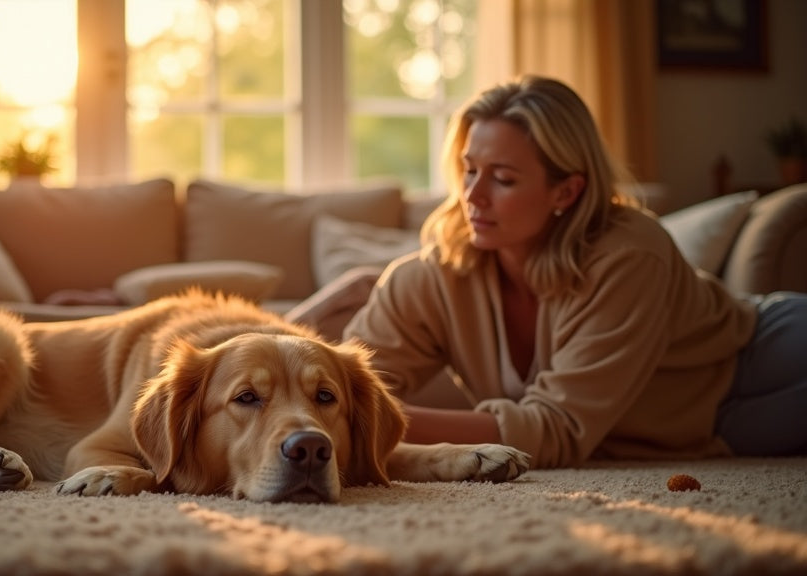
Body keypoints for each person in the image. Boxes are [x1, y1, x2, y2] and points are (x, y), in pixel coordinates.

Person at [329, 75, 806, 469]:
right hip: (688, 429)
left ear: (566, 192)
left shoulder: (629, 253)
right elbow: (341, 383)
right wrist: (350, 409)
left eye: (503, 178)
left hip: (753, 370)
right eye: (470, 170)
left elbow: (558, 429)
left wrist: (377, 419)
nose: (473, 195)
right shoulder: (430, 276)